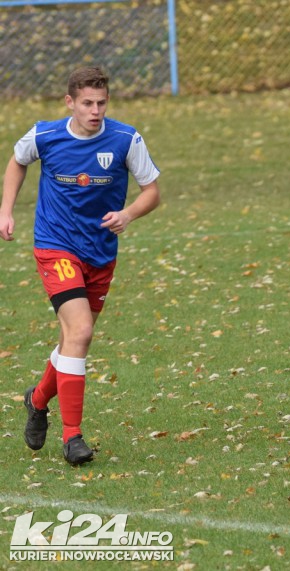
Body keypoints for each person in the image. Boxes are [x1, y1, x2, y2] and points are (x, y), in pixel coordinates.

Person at [1, 66, 161, 466]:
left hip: (101, 253)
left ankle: (37, 400)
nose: (95, 111)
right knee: (82, 331)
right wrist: (6, 211)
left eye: (101, 103)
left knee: (72, 340)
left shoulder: (126, 138)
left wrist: (129, 214)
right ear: (70, 102)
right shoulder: (45, 135)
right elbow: (17, 162)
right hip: (56, 247)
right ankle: (73, 437)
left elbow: (152, 192)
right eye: (87, 103)